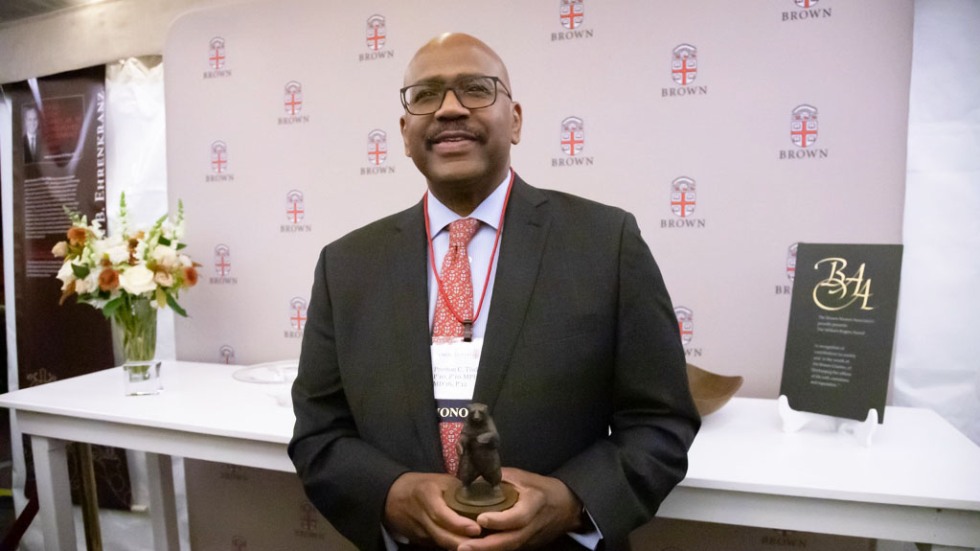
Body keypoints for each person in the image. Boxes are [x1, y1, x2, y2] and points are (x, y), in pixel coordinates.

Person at [289, 32, 700, 551]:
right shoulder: (346, 265)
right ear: (405, 130)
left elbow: (660, 423)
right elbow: (318, 432)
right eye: (425, 95)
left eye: (476, 89)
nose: (449, 109)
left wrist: (571, 501)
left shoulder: (606, 243)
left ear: (517, 118)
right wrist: (392, 493)